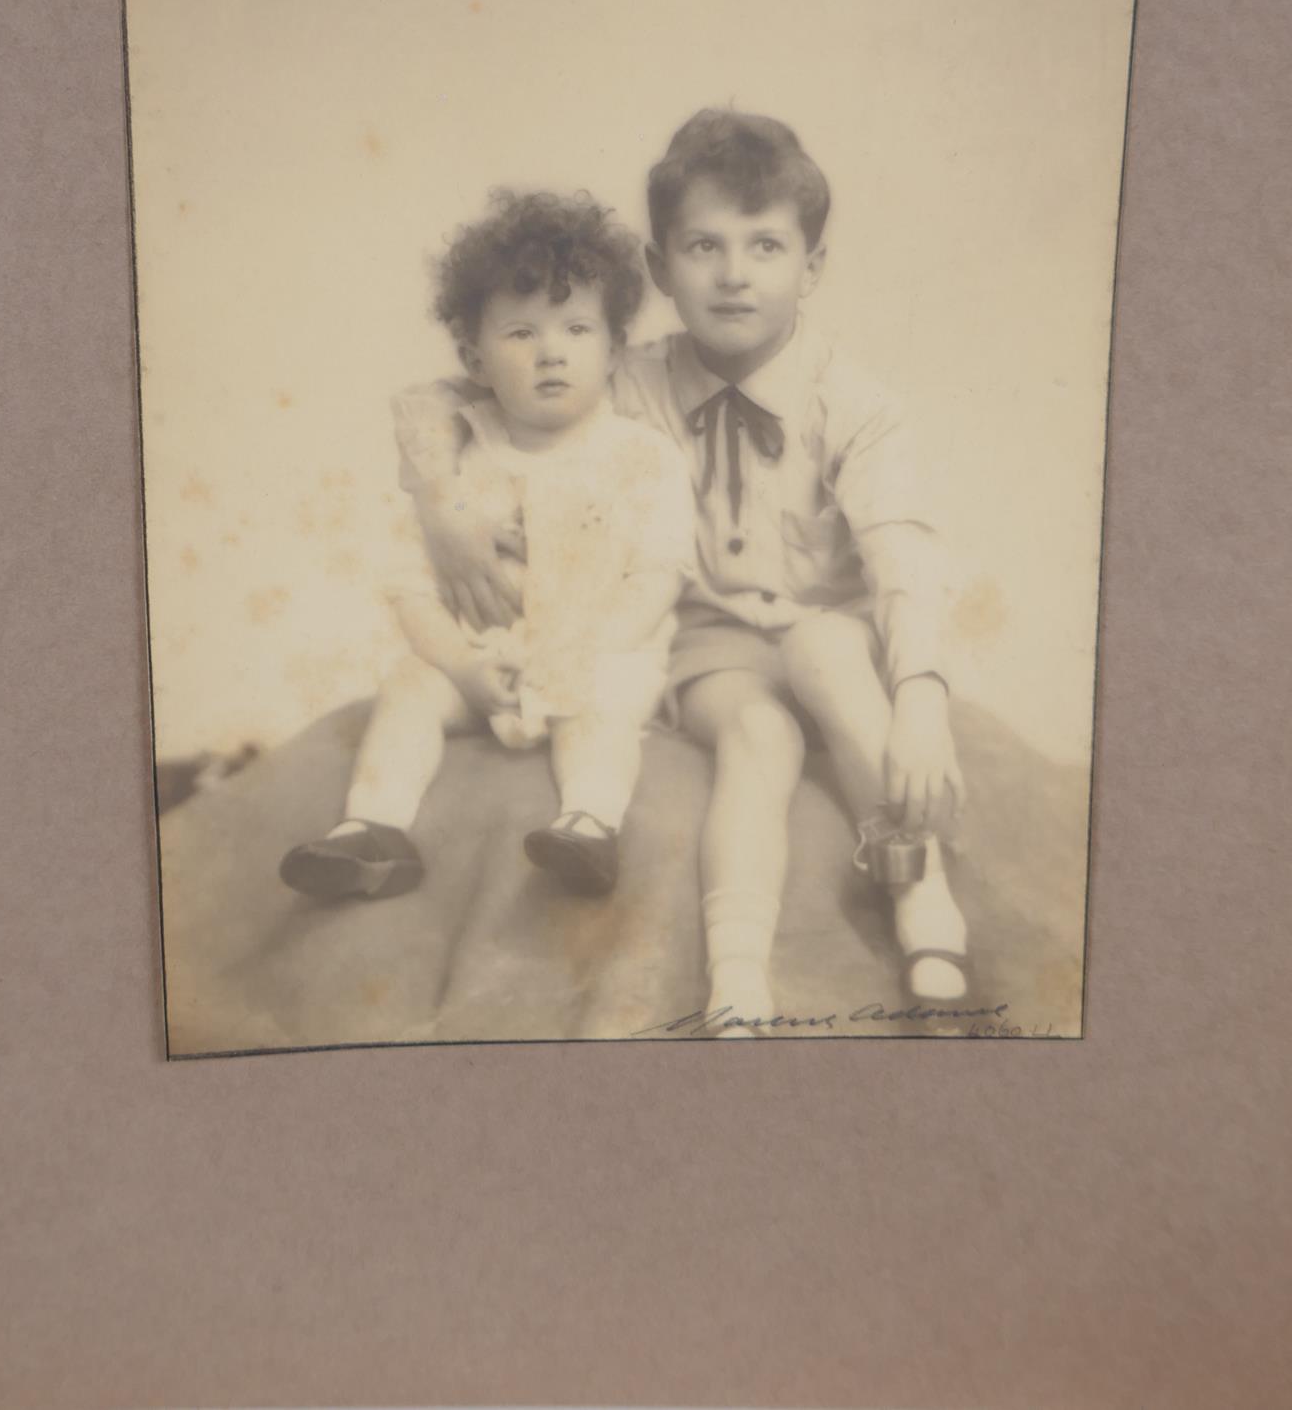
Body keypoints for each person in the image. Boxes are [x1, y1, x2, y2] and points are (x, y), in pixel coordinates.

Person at [395, 112, 969, 1031]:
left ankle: (923, 894)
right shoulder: (626, 378)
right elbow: (437, 399)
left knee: (823, 651)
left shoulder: (856, 402)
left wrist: (925, 695)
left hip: (838, 636)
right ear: (660, 271)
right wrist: (443, 507)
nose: (734, 273)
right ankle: (739, 973)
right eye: (704, 245)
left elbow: (905, 551)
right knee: (758, 738)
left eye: (766, 245)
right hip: (711, 652)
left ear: (811, 268)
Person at [280, 190, 695, 905]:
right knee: (411, 685)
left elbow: (657, 578)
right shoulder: (457, 464)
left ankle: (589, 822)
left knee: (604, 710)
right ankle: (372, 828)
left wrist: (579, 651)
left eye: (575, 328)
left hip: (596, 653)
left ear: (615, 348)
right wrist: (466, 668)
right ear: (474, 356)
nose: (552, 351)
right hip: (486, 662)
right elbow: (412, 587)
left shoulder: (644, 457)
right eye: (521, 333)